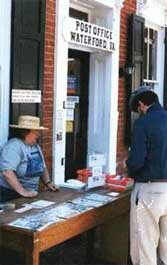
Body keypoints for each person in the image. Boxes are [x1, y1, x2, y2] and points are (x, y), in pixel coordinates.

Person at [126, 85, 167, 265]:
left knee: (145, 246)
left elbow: (137, 161)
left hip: (150, 189)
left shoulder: (143, 123)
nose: (139, 112)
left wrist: (128, 166)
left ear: (142, 104)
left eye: (138, 109)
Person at [0, 115, 59, 203]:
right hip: (10, 194)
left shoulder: (35, 145)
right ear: (25, 132)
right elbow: (7, 172)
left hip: (30, 193)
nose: (39, 134)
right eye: (36, 131)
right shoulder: (14, 146)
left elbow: (42, 166)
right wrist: (23, 192)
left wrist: (48, 182)